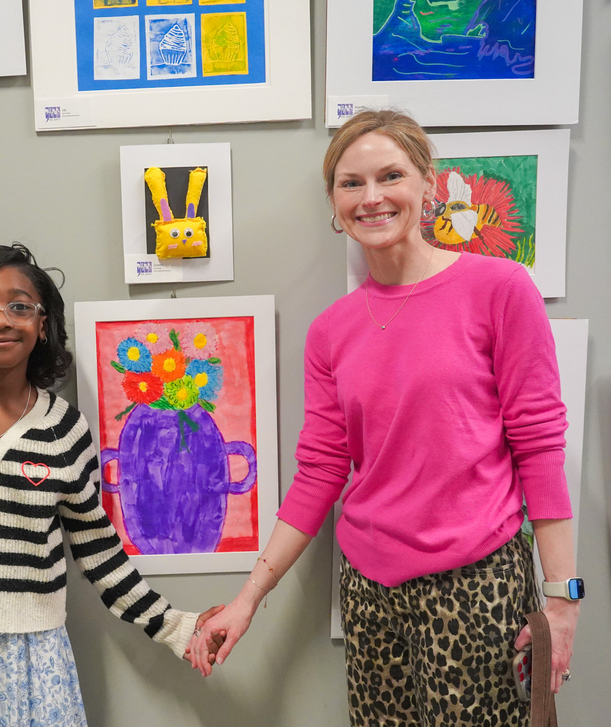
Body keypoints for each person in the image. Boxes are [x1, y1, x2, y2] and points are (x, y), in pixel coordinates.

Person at [189, 110, 581, 725]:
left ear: (429, 185)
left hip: (478, 585)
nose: (371, 198)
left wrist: (562, 598)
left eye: (390, 176)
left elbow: (538, 445)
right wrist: (247, 600)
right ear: (333, 202)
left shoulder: (500, 287)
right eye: (351, 183)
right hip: (369, 592)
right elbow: (320, 474)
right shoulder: (330, 332)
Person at [0, 243, 221, 726]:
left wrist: (174, 627)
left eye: (20, 306)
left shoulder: (65, 430)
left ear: (42, 326)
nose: (1, 320)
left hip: (37, 659)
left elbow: (98, 550)